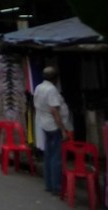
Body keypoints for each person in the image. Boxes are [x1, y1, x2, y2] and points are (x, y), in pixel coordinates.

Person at [33, 66, 71, 196]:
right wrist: (63, 130)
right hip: (53, 126)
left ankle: (49, 184)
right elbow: (54, 111)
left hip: (44, 124)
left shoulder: (38, 87)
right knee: (56, 157)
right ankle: (56, 186)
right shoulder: (51, 90)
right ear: (55, 78)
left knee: (48, 155)